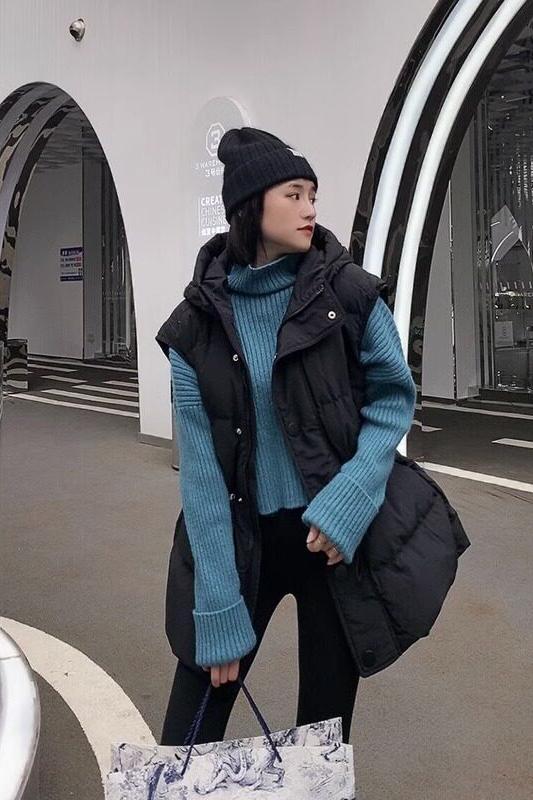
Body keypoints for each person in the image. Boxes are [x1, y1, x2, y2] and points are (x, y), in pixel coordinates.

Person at [156, 127, 416, 746]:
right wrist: (217, 603)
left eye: (312, 196)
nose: (309, 209)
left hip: (330, 538)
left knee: (321, 741)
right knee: (187, 735)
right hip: (244, 539)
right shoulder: (195, 327)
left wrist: (350, 501)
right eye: (294, 195)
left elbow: (393, 398)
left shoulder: (349, 294)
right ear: (252, 206)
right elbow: (202, 476)